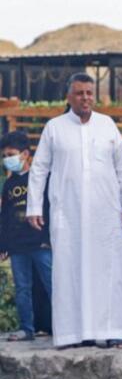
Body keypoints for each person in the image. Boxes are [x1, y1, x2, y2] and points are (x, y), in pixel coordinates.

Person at [27, 73, 122, 349]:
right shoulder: (54, 127)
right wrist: (34, 207)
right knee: (69, 271)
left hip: (106, 215)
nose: (85, 98)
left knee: (110, 272)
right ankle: (71, 334)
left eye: (89, 92)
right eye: (79, 93)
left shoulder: (107, 125)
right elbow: (39, 169)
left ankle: (114, 330)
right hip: (69, 214)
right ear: (69, 96)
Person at [0, 131, 51, 342]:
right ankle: (26, 328)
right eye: (4, 156)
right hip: (18, 246)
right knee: (22, 288)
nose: (7, 159)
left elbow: (49, 209)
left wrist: (48, 237)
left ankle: (63, 326)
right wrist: (3, 244)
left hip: (40, 243)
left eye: (11, 154)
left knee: (52, 284)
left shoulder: (40, 179)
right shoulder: (9, 185)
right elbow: (5, 217)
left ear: (25, 154)